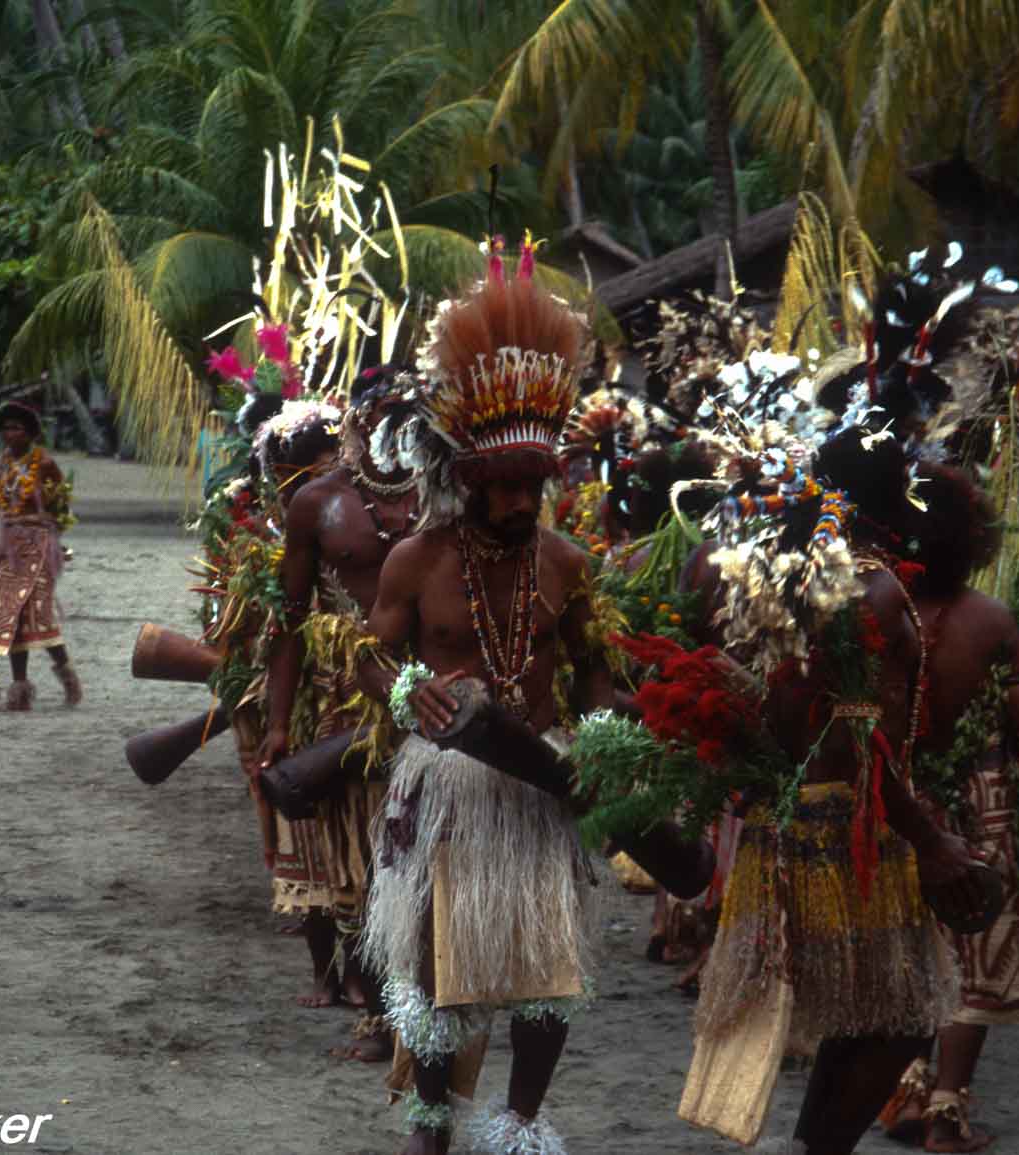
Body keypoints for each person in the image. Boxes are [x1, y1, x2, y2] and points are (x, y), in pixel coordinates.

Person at [354, 248, 614, 1155]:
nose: (522, 500)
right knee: (437, 964)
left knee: (547, 965)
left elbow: (594, 666)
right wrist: (407, 689)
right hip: (448, 785)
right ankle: (431, 1122)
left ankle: (521, 1123)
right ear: (466, 477)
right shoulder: (416, 559)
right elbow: (365, 655)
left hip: (541, 781)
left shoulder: (567, 563)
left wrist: (599, 738)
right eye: (505, 485)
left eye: (534, 484)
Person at [683, 427, 985, 1155]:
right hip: (854, 824)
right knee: (904, 1016)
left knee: (860, 1015)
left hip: (802, 816)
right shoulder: (870, 589)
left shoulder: (802, 572)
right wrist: (928, 839)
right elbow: (855, 737)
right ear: (892, 497)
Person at [890, 463, 1019, 1152]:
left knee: (911, 947)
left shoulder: (879, 611)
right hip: (979, 807)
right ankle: (945, 1110)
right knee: (973, 954)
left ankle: (909, 1087)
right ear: (971, 538)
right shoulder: (991, 620)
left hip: (899, 804)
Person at [253, 373, 418, 1052]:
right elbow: (290, 622)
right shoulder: (317, 503)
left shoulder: (447, 499)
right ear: (358, 420)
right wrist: (278, 723)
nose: (394, 427)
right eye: (382, 413)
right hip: (341, 706)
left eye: (408, 414)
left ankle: (420, 1009)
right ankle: (378, 1013)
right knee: (361, 865)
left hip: (430, 698)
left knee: (418, 858)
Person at [0, 401, 79, 711]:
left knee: (39, 614)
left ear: (31, 433)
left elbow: (61, 506)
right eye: (6, 428)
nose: (10, 434)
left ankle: (68, 679)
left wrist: (52, 538)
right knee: (10, 614)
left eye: (17, 428)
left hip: (39, 545)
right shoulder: (0, 464)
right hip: (9, 546)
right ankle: (20, 692)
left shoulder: (46, 464)